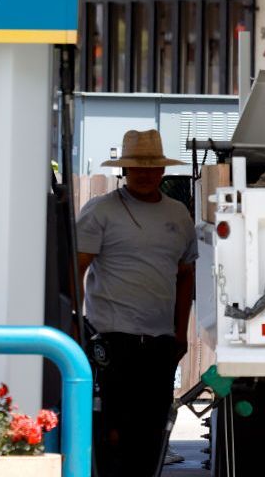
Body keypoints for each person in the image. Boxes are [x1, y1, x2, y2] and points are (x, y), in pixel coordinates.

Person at [76, 129, 197, 477]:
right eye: (137, 167)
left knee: (153, 429)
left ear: (162, 171)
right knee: (111, 432)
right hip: (111, 339)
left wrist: (179, 333)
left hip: (160, 341)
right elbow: (76, 269)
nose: (145, 174)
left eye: (152, 167)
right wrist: (76, 327)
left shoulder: (178, 214)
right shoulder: (100, 210)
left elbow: (185, 275)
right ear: (124, 171)